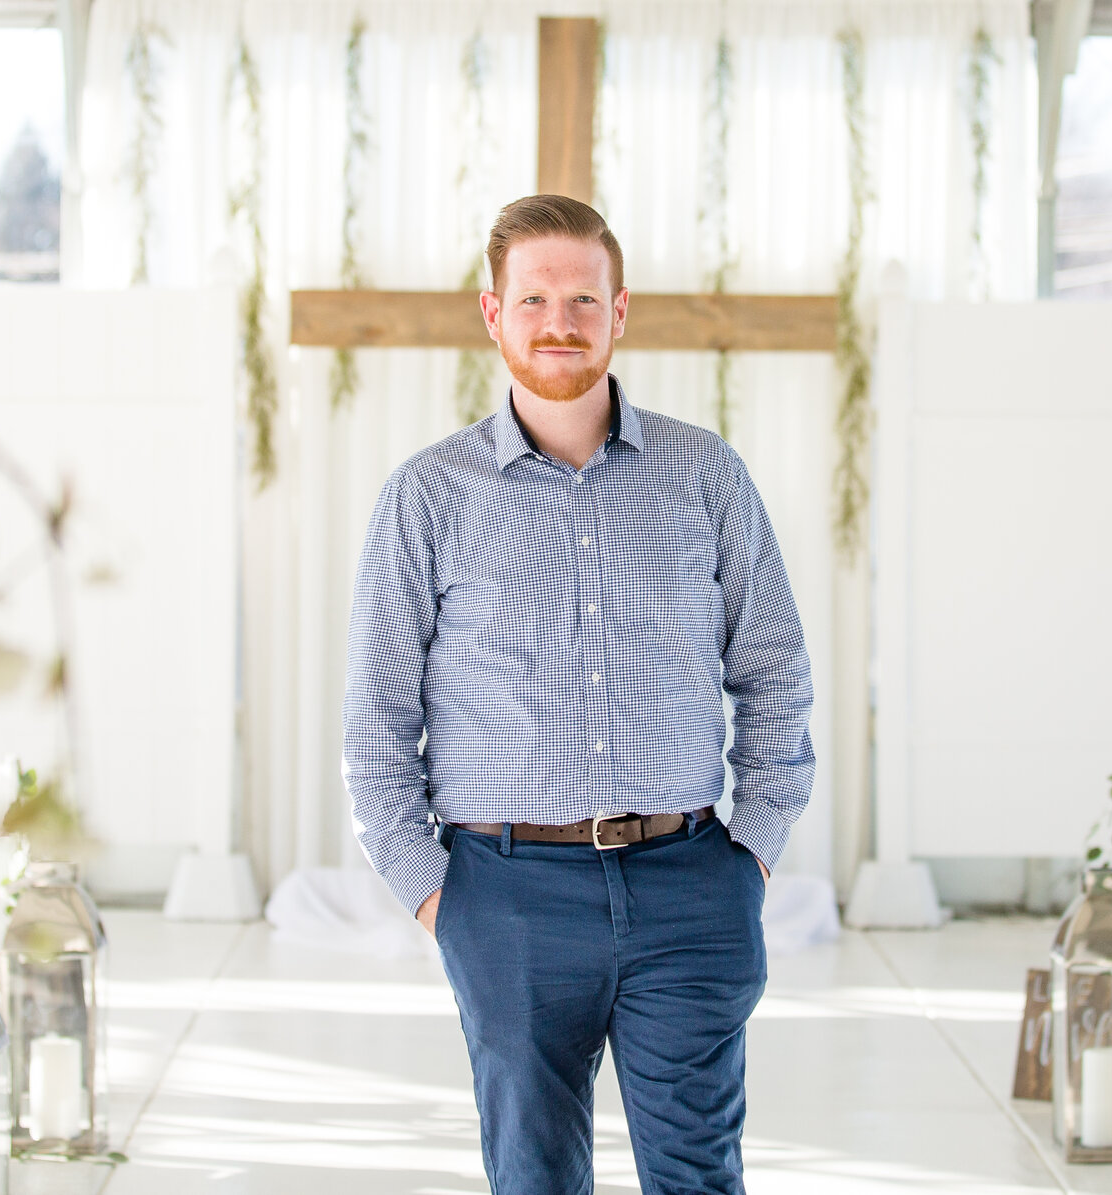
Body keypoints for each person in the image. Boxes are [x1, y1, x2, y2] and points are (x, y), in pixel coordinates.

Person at [342, 192, 815, 1195]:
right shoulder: (426, 496)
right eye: (535, 299)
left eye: (583, 298)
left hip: (691, 881)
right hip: (503, 894)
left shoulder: (704, 474)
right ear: (493, 312)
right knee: (534, 1176)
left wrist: (753, 856)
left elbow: (772, 667)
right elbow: (377, 716)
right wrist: (434, 895)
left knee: (698, 1175)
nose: (559, 321)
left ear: (619, 310)